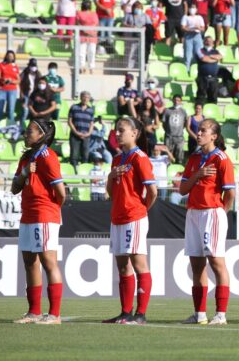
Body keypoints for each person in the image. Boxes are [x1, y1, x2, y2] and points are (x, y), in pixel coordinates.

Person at [101, 116, 158, 325]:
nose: (117, 133)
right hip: (117, 218)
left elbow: (153, 191)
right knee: (122, 266)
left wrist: (142, 209)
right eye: (116, 130)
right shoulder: (117, 159)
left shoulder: (139, 158)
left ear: (134, 133)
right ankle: (125, 312)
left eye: (121, 130)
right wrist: (110, 176)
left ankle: (140, 314)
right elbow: (111, 193)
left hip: (134, 217)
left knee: (139, 263)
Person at [179, 119, 235, 326]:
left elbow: (230, 192)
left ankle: (221, 314)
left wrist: (221, 212)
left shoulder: (221, 158)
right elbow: (183, 190)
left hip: (212, 213)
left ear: (214, 136)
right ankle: (200, 314)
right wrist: (197, 175)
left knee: (216, 261)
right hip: (193, 213)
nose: (199, 133)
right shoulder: (194, 158)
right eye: (198, 129)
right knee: (196, 265)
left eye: (203, 130)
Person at [11, 119, 65, 325]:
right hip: (28, 214)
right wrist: (25, 173)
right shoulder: (26, 157)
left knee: (48, 261)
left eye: (30, 131)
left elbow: (61, 193)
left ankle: (54, 314)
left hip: (44, 214)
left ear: (42, 134)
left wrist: (51, 210)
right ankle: (34, 312)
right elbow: (14, 188)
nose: (26, 134)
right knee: (29, 262)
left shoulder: (48, 156)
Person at [68, 91, 94, 166]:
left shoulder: (91, 110)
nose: (86, 99)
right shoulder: (74, 107)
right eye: (84, 97)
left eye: (87, 97)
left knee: (85, 156)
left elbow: (91, 123)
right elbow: (70, 121)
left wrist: (88, 133)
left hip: (86, 136)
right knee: (74, 156)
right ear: (81, 97)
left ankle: (83, 174)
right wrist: (76, 132)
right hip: (75, 135)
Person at [0, 50, 20, 125]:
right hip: (2, 89)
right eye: (9, 56)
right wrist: (4, 80)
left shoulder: (15, 66)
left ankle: (11, 126)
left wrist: (11, 81)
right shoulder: (1, 65)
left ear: (14, 57)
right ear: (6, 56)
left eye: (12, 56)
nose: (10, 57)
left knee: (11, 109)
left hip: (12, 90)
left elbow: (18, 80)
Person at [196, 36, 223, 103]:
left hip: (213, 78)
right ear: (204, 42)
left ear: (213, 43)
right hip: (203, 78)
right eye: (207, 41)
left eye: (210, 41)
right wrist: (214, 59)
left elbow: (220, 56)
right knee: (201, 97)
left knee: (213, 97)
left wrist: (210, 56)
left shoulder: (215, 51)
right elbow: (203, 59)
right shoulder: (200, 50)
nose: (208, 42)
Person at [162, 95, 188, 164]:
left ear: (181, 101)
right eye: (175, 100)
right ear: (172, 100)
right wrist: (168, 131)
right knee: (168, 156)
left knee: (179, 156)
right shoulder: (167, 110)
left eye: (178, 100)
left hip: (179, 137)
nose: (176, 102)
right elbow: (164, 123)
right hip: (169, 137)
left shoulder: (183, 111)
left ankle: (179, 170)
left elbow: (185, 123)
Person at [76, 0, 98, 74]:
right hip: (82, 35)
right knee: (81, 53)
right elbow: (77, 23)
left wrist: (90, 32)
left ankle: (91, 68)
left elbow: (96, 24)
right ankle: (81, 67)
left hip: (92, 36)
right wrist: (84, 31)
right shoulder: (79, 13)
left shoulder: (94, 13)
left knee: (91, 52)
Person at [182, 3, 207, 70]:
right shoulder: (185, 17)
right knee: (188, 55)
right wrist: (190, 29)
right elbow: (183, 27)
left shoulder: (199, 17)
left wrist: (198, 28)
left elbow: (203, 28)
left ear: (196, 9)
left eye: (194, 7)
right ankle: (187, 70)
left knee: (199, 54)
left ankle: (198, 70)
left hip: (197, 36)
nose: (192, 9)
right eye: (191, 7)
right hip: (188, 36)